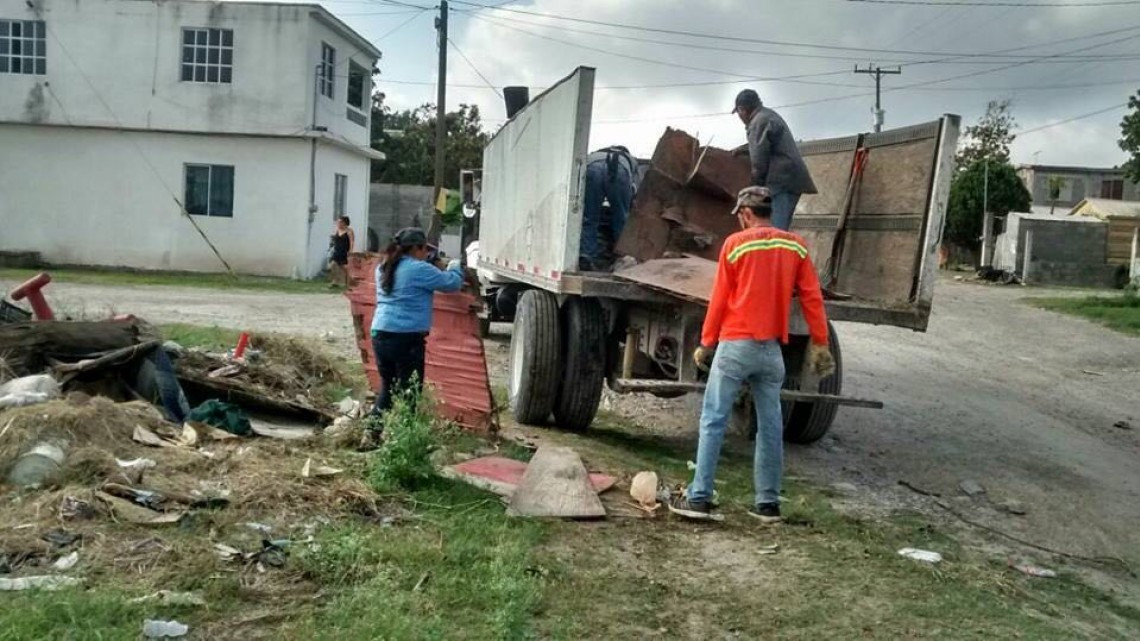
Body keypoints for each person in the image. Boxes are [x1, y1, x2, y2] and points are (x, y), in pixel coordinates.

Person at [669, 187, 834, 523]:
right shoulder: (795, 246)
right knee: (771, 426)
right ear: (769, 211)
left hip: (735, 347)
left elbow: (719, 299)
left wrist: (707, 342)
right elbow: (812, 298)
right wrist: (819, 341)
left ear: (745, 213)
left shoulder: (735, 245)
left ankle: (699, 498)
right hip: (771, 352)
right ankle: (768, 504)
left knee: (714, 419)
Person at [370, 227, 464, 418]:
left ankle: (371, 432)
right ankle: (405, 436)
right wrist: (455, 266)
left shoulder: (383, 267)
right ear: (415, 248)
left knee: (388, 388)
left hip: (380, 333)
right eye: (425, 249)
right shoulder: (419, 269)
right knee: (410, 392)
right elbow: (452, 283)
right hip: (406, 338)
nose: (426, 253)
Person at [732, 89, 817, 231]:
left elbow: (759, 162)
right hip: (790, 180)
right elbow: (766, 144)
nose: (739, 117)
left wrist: (754, 190)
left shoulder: (758, 122)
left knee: (775, 230)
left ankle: (775, 253)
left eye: (738, 112)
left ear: (742, 109)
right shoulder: (767, 116)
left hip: (782, 182)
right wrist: (743, 149)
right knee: (779, 229)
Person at [580, 145, 638, 272]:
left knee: (589, 217)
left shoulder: (594, 154)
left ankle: (587, 256)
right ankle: (623, 257)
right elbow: (633, 193)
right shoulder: (630, 160)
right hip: (620, 169)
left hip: (592, 168)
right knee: (621, 218)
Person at [328, 216, 355, 288]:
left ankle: (349, 282)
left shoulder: (349, 231)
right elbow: (335, 239)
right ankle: (335, 281)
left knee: (344, 267)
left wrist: (350, 251)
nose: (338, 223)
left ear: (344, 223)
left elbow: (352, 241)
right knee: (333, 265)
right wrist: (331, 245)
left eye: (340, 222)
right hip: (337, 250)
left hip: (344, 251)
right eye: (338, 222)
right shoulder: (337, 230)